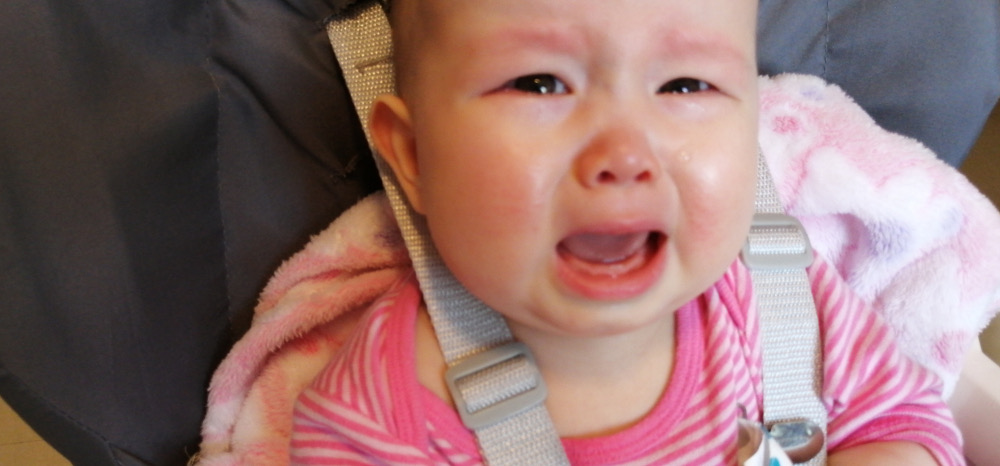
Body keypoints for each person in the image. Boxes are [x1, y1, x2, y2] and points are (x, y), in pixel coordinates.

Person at [196, 0, 966, 464]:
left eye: (686, 84)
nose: (624, 155)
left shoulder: (782, 302)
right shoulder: (380, 422)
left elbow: (900, 421)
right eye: (540, 83)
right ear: (415, 157)